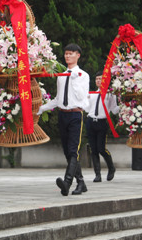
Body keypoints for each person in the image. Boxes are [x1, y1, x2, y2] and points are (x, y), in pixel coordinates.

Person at [38, 43, 90, 196]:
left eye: (71, 53)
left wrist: (73, 81)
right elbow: (58, 98)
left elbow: (81, 96)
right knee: (67, 151)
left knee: (73, 150)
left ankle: (67, 182)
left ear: (78, 55)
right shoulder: (61, 76)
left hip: (75, 114)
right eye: (66, 53)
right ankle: (81, 182)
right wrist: (42, 108)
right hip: (62, 114)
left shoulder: (83, 75)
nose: (68, 56)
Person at [83, 71, 119, 182]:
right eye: (97, 79)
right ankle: (97, 174)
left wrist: (124, 105)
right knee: (93, 150)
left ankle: (111, 168)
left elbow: (114, 110)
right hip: (90, 121)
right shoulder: (92, 93)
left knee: (101, 149)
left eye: (101, 79)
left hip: (102, 122)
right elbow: (87, 109)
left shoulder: (110, 94)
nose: (98, 81)